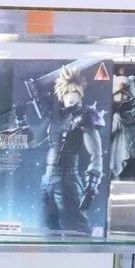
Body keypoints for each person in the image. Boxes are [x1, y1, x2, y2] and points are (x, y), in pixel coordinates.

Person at [41, 65, 104, 234]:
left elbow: (96, 155)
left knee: (75, 228)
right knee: (48, 229)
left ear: (81, 93)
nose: (70, 96)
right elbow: (36, 141)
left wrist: (91, 187)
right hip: (47, 179)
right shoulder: (57, 116)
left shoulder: (85, 115)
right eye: (66, 92)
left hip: (67, 179)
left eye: (75, 92)